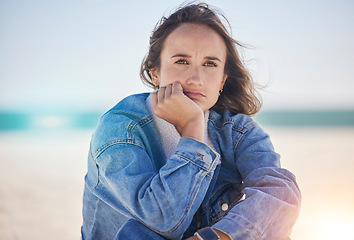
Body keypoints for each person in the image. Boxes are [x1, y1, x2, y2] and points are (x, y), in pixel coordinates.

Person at [81, 3, 301, 240]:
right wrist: (193, 131)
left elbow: (280, 193)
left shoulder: (238, 132)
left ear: (222, 79)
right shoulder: (120, 128)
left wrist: (218, 236)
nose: (196, 79)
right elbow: (164, 220)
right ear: (155, 72)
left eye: (210, 64)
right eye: (181, 61)